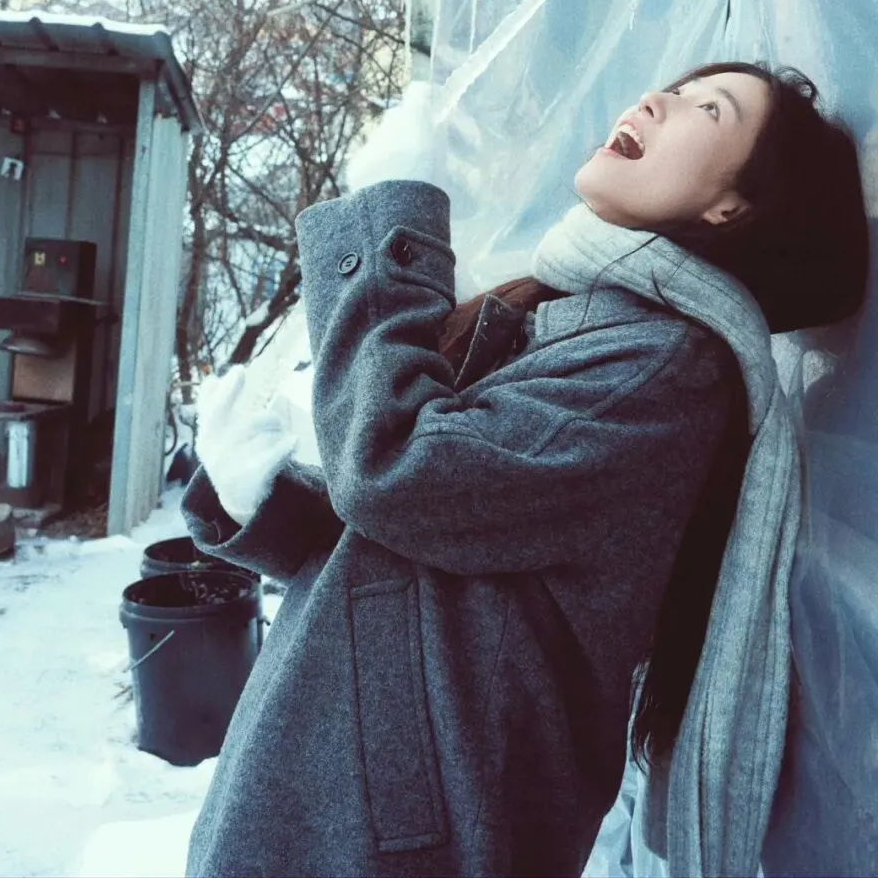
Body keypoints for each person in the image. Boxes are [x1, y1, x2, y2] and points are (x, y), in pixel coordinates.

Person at [180, 63, 869, 877]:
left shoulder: (664, 369)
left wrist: (394, 227)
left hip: (396, 841)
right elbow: (434, 552)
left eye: (707, 110)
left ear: (733, 207)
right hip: (323, 797)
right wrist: (263, 499)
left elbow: (399, 474)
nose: (655, 98)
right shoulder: (574, 319)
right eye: (675, 88)